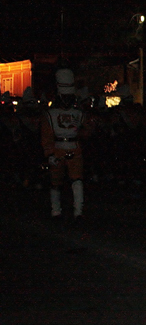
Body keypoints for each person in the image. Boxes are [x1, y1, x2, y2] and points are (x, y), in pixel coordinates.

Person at [42, 69, 86, 219]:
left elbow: (85, 133)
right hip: (57, 149)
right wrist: (49, 154)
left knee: (77, 180)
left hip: (74, 148)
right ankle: (56, 210)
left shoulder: (79, 113)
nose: (67, 100)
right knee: (55, 181)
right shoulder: (50, 114)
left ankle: (78, 211)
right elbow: (46, 136)